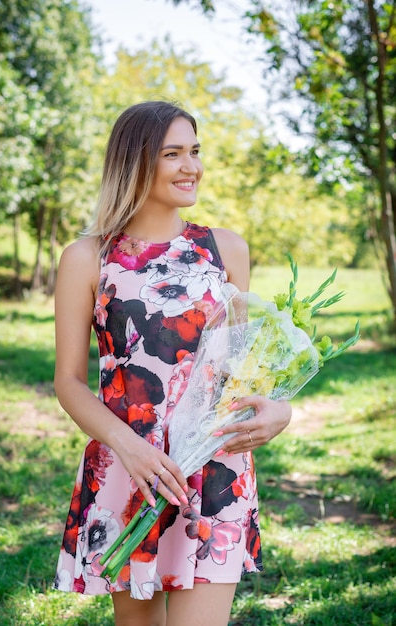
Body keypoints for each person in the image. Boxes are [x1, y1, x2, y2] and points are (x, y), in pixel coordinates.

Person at [53, 100, 292, 626]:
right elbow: (67, 381)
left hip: (213, 471)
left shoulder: (227, 249)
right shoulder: (87, 257)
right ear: (136, 162)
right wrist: (129, 447)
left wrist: (278, 411)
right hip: (129, 470)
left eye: (196, 151)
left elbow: (240, 368)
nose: (193, 167)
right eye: (173, 154)